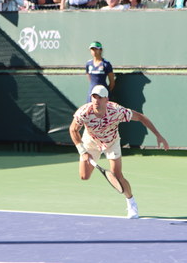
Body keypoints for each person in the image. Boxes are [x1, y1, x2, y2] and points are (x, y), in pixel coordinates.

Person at [69, 85, 169, 219]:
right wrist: (82, 150)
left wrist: (158, 135)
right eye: (94, 97)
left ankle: (131, 202)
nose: (96, 100)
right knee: (84, 176)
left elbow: (140, 117)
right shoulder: (84, 112)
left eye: (100, 97)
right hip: (91, 142)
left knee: (117, 174)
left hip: (111, 142)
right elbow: (73, 129)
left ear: (106, 99)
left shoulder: (116, 111)